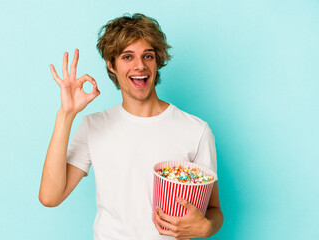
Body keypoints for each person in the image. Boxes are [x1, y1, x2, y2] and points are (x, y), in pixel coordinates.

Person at [39, 13, 223, 240]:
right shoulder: (93, 126)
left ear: (158, 62)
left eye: (148, 56)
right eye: (127, 57)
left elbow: (214, 210)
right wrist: (65, 115)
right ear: (111, 65)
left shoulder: (196, 130)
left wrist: (206, 227)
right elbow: (50, 197)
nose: (140, 66)